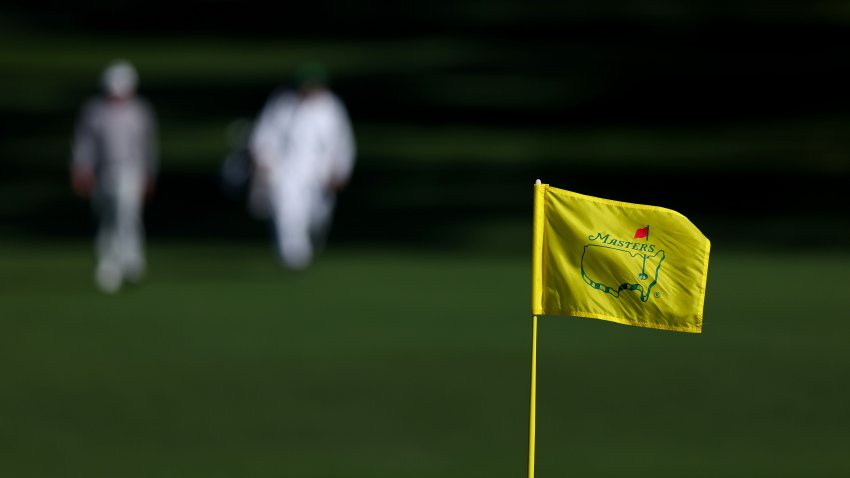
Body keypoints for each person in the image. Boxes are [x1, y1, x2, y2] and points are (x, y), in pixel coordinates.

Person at [250, 63, 356, 270]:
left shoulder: (332, 108)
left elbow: (342, 142)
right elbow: (266, 134)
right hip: (287, 171)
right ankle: (294, 258)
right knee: (288, 212)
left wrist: (341, 169)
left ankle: (307, 244)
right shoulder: (282, 104)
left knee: (317, 216)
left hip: (320, 173)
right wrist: (263, 160)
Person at [71, 60, 158, 293]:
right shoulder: (94, 111)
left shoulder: (139, 111)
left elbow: (147, 146)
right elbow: (85, 144)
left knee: (128, 214)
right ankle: (108, 263)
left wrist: (148, 172)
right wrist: (82, 168)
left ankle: (132, 259)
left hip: (130, 170)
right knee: (106, 216)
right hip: (102, 171)